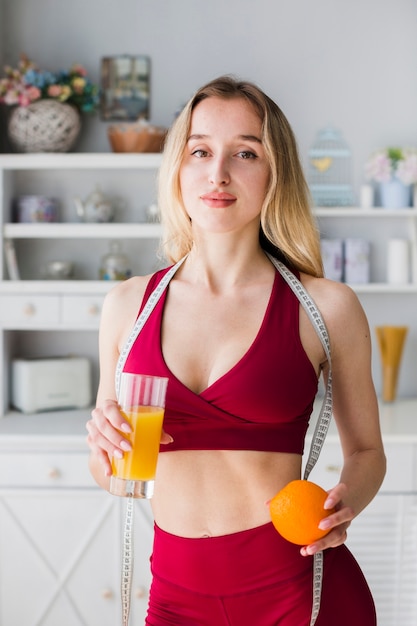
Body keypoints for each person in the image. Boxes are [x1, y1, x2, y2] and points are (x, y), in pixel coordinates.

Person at [86, 75, 386, 626]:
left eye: (245, 152)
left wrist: (346, 502)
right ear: (178, 167)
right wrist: (103, 444)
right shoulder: (127, 306)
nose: (218, 173)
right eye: (200, 150)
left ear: (276, 173)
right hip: (174, 596)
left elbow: (367, 451)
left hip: (299, 589)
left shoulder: (326, 308)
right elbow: (116, 475)